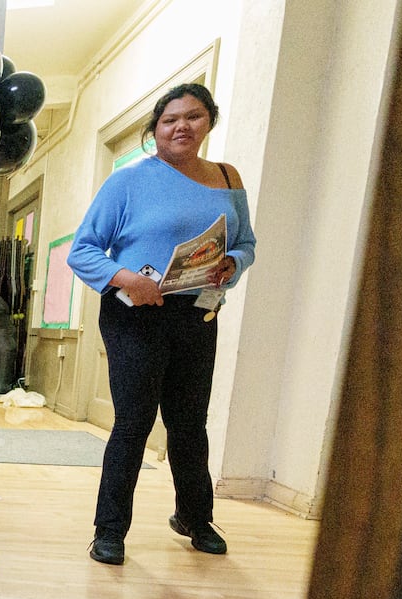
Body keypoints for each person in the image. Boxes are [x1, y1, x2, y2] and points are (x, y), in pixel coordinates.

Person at [67, 83, 256, 565]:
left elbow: (246, 243)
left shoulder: (228, 178)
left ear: (208, 122)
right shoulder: (128, 182)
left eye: (193, 117)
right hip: (137, 313)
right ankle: (109, 530)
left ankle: (195, 517)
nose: (182, 127)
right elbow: (83, 250)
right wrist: (126, 276)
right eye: (171, 120)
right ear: (156, 130)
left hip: (197, 313)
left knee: (190, 422)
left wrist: (232, 263)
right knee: (133, 422)